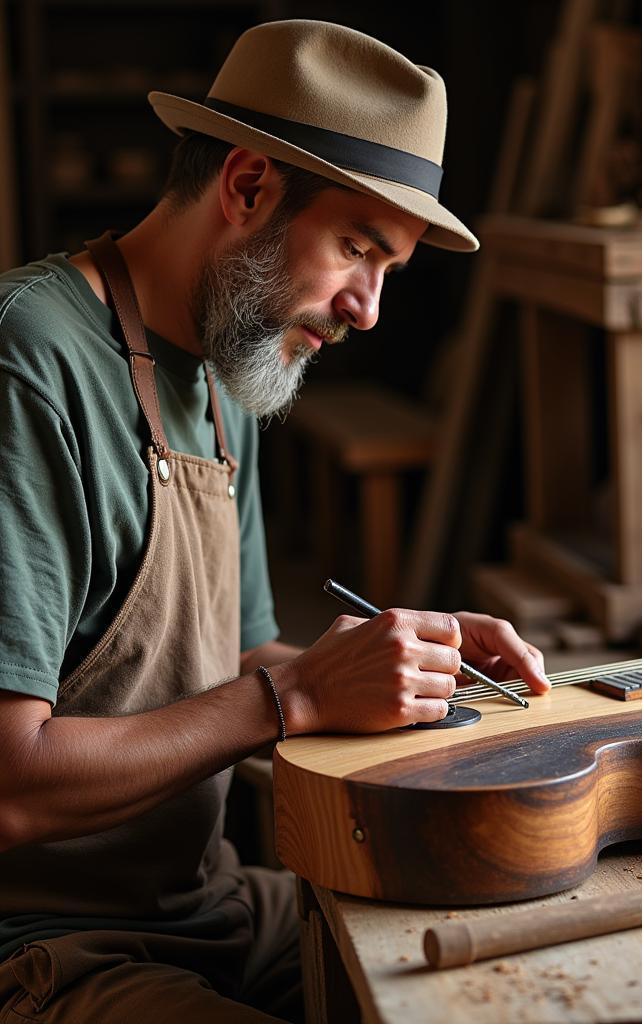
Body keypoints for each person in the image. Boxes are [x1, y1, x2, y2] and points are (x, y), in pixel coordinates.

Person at [0, 19, 549, 1023]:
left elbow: (245, 655)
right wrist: (294, 695)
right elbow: (11, 783)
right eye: (356, 248)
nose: (369, 308)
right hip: (41, 946)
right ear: (247, 187)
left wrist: (402, 665)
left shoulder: (224, 367)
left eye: (390, 268)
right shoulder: (29, 363)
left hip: (205, 904)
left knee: (477, 996)